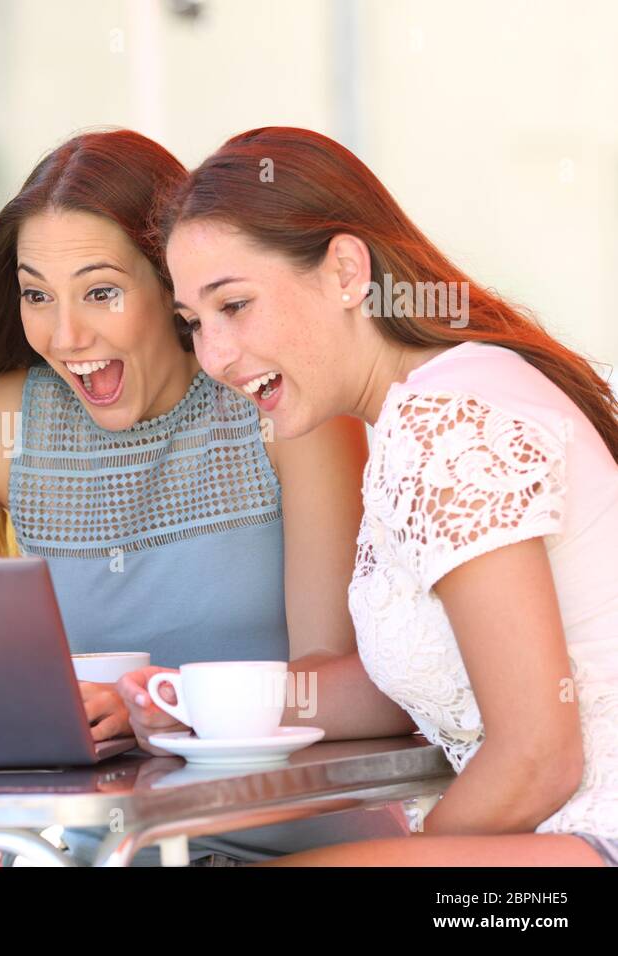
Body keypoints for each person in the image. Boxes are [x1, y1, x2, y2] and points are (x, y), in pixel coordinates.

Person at [0, 129, 414, 864]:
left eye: (101, 292)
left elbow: (343, 677)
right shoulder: (0, 423)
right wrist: (21, 707)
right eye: (36, 295)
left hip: (299, 841)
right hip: (103, 848)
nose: (66, 333)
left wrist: (164, 706)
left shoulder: (283, 403)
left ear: (170, 283)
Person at [139, 125, 618, 865]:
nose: (215, 357)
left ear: (344, 271)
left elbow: (538, 757)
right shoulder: (438, 399)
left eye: (234, 306)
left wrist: (418, 852)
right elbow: (411, 685)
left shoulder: (444, 422)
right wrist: (185, 701)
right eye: (193, 323)